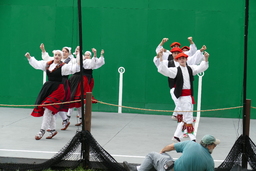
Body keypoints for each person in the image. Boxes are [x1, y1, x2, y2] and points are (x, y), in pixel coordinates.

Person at [24, 50, 79, 140]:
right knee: (49, 110)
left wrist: (79, 61)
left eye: (59, 55)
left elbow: (73, 69)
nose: (57, 56)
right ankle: (53, 130)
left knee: (48, 109)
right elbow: (38, 64)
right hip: (48, 88)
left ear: (61, 57)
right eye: (55, 55)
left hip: (58, 89)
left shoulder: (64, 67)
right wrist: (30, 58)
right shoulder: (48, 64)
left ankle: (41, 131)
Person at [157, 50, 209, 142]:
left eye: (183, 58)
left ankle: (176, 136)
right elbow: (164, 70)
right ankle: (192, 137)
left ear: (186, 59)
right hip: (182, 96)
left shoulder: (190, 69)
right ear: (177, 60)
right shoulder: (175, 70)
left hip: (189, 96)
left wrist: (205, 59)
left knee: (186, 116)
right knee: (188, 116)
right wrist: (161, 58)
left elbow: (201, 68)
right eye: (180, 58)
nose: (182, 60)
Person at [123, 134, 220, 171]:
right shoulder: (210, 162)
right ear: (209, 145)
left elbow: (170, 147)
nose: (215, 146)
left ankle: (138, 170)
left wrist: (161, 152)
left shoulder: (191, 144)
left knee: (152, 155)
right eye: (214, 145)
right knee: (166, 157)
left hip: (170, 169)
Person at [40, 43, 76, 130]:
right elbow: (47, 59)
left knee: (57, 103)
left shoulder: (70, 60)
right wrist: (43, 50)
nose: (64, 53)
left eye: (65, 52)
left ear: (69, 53)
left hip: (63, 82)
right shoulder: (56, 59)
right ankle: (64, 120)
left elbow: (74, 68)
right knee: (56, 104)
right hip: (55, 83)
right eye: (62, 51)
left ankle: (51, 125)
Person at [67, 46, 105, 126]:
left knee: (82, 97)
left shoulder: (88, 61)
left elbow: (96, 63)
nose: (87, 56)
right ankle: (79, 117)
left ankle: (76, 117)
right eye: (86, 55)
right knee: (77, 97)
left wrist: (96, 54)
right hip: (78, 80)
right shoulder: (78, 60)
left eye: (88, 55)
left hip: (85, 80)